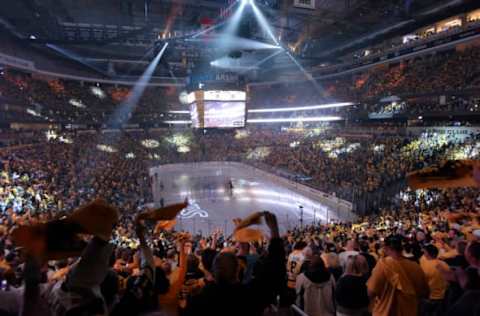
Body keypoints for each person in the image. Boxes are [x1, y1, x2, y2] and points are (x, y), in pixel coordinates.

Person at [184, 212, 286, 316]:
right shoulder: (250, 296)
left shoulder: (199, 299)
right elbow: (275, 271)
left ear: (214, 270)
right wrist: (274, 230)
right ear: (238, 269)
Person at [367, 235, 429, 316]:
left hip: (386, 312)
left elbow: (370, 292)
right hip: (410, 311)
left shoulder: (383, 265)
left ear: (385, 248)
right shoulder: (415, 266)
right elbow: (424, 292)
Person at [419, 244, 449, 316]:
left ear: (427, 253)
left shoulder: (425, 266)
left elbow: (421, 283)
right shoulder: (444, 264)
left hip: (430, 298)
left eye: (424, 252)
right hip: (444, 297)